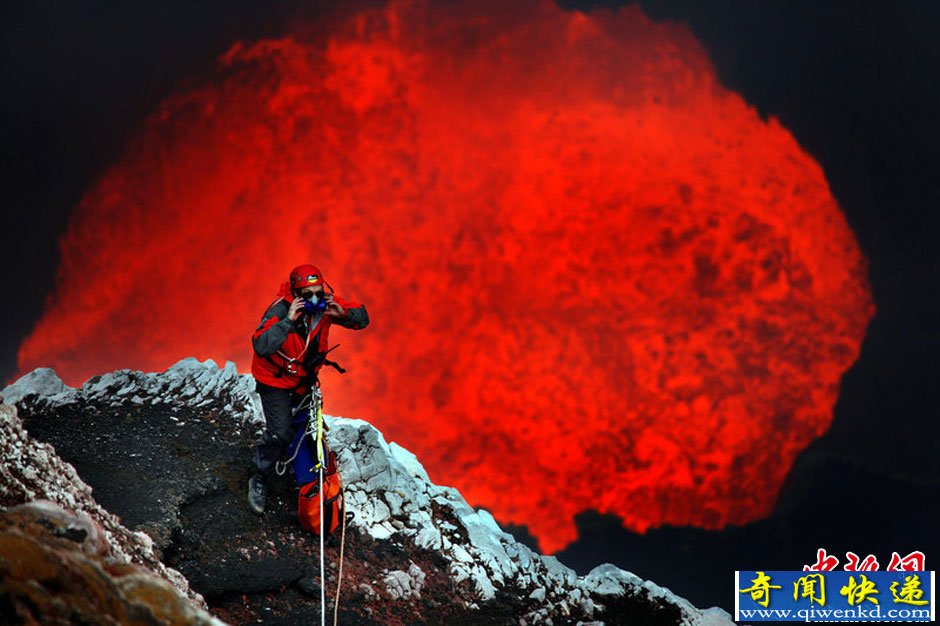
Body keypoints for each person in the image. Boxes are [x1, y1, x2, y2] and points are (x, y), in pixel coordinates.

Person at [247, 264, 369, 515]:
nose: (314, 298)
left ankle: (300, 473)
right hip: (275, 380)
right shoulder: (280, 310)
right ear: (295, 293)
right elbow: (261, 344)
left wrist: (342, 313)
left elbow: (362, 318)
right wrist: (288, 322)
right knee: (279, 433)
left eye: (318, 291)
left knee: (305, 427)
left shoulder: (325, 305)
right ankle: (260, 476)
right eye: (307, 294)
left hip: (304, 379)